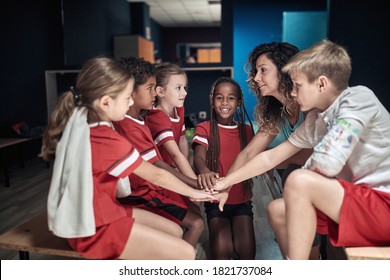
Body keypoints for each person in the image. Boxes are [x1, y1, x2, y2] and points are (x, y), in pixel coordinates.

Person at [213, 39, 390, 260]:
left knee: (298, 179)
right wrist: (225, 183)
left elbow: (328, 162)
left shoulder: (358, 98)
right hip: (358, 199)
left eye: (298, 86)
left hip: (383, 202)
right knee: (277, 210)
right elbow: (269, 158)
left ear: (321, 84)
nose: (293, 93)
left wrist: (302, 186)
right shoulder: (316, 120)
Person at [40, 56, 216, 260]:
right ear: (106, 102)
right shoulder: (105, 138)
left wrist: (193, 190)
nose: (131, 102)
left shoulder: (86, 121)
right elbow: (156, 175)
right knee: (185, 252)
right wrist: (196, 192)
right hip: (94, 227)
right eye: (126, 98)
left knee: (177, 232)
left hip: (102, 210)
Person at [226, 42, 319, 259]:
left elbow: (312, 155)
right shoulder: (277, 111)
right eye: (256, 71)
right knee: (286, 191)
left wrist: (273, 160)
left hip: (336, 181)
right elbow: (249, 153)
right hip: (306, 183)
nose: (256, 78)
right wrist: (225, 185)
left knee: (292, 176)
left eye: (263, 70)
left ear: (285, 69)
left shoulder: (311, 105)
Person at [113, 57, 204, 248]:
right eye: (149, 88)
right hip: (142, 193)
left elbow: (180, 145)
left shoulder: (139, 119)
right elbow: (157, 168)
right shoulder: (137, 124)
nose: (154, 92)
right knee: (194, 224)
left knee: (189, 221)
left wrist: (193, 185)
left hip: (153, 186)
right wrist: (194, 185)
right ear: (130, 91)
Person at [192, 77, 255, 259]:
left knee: (247, 253)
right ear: (212, 101)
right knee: (222, 254)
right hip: (215, 203)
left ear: (239, 102)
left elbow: (254, 159)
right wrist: (203, 170)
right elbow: (198, 156)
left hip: (242, 201)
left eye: (231, 98)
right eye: (219, 98)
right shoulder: (204, 128)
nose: (225, 103)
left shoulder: (247, 131)